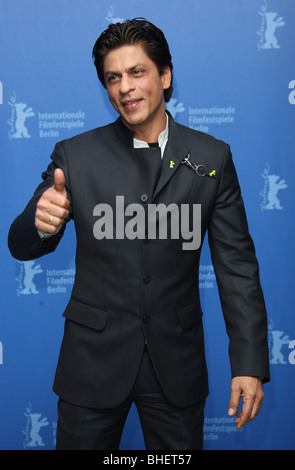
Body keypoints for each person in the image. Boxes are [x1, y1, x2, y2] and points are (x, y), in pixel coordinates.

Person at [8, 18, 270, 450]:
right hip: (91, 364)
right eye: (113, 78)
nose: (125, 87)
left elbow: (237, 267)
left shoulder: (211, 157)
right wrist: (38, 223)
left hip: (177, 366)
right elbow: (20, 245)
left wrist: (249, 363)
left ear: (165, 76)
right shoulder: (75, 156)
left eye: (137, 72)